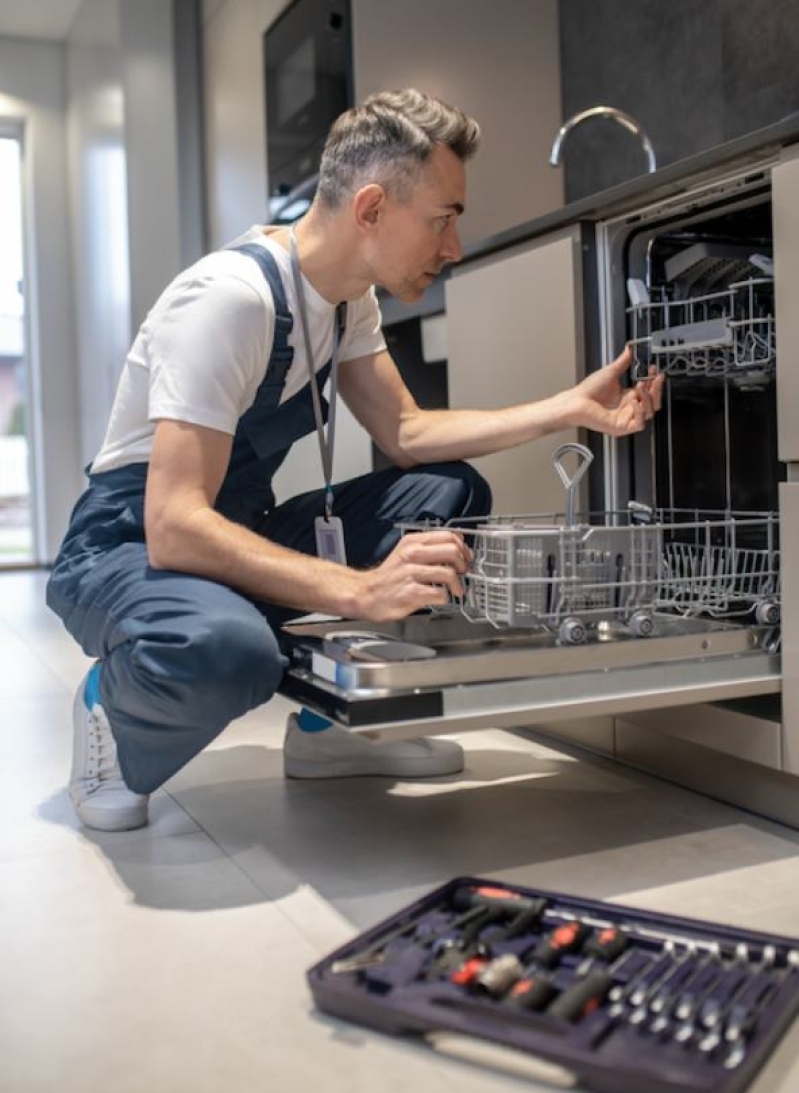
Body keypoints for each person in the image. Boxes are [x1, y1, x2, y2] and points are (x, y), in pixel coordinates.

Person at [47, 88, 663, 833]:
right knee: (230, 651)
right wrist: (358, 590)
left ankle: (324, 733)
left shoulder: (346, 300)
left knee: (444, 492)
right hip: (127, 548)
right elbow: (174, 524)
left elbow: (405, 431)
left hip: (233, 528)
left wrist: (567, 407)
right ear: (370, 209)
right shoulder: (228, 301)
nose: (453, 248)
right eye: (442, 221)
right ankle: (112, 709)